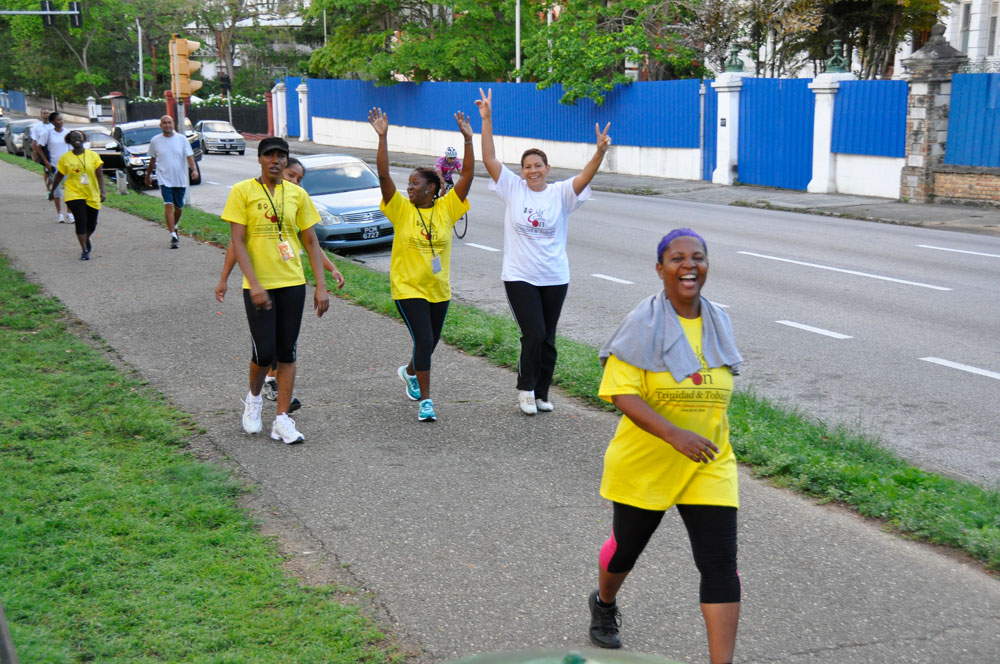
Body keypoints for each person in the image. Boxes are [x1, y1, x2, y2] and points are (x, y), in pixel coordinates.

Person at [588, 229, 743, 662]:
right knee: (625, 549)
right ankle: (604, 603)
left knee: (720, 564)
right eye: (677, 258)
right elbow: (621, 392)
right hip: (646, 462)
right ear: (660, 269)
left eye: (698, 257)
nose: (689, 265)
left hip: (709, 461)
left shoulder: (719, 321)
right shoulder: (642, 322)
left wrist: (695, 435)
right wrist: (675, 435)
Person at [475, 87, 610, 416]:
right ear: (522, 171)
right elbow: (490, 160)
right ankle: (525, 389)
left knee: (548, 339)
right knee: (533, 333)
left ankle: (541, 393)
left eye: (537, 165)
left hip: (554, 277)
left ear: (548, 168)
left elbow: (584, 177)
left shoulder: (561, 194)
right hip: (519, 276)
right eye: (527, 166)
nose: (532, 170)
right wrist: (487, 120)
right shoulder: (513, 188)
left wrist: (599, 152)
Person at [368, 107, 473, 422]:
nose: (409, 188)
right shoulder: (401, 209)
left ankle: (410, 371)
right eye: (409, 184)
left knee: (430, 343)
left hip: (438, 289)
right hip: (408, 288)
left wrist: (469, 141)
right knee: (424, 340)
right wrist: (383, 137)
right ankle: (426, 402)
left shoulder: (446, 209)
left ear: (432, 188)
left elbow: (467, 177)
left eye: (415, 184)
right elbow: (384, 176)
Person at [215, 156, 345, 412]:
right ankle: (262, 389)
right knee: (266, 348)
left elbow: (309, 242)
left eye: (299, 178)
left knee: (284, 346)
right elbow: (235, 243)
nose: (295, 181)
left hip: (289, 281)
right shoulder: (251, 195)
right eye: (291, 175)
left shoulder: (294, 199)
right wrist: (224, 278)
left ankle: (277, 394)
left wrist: (330, 269)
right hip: (261, 283)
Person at [49, 130, 106, 261]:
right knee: (81, 221)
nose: (76, 140)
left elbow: (99, 174)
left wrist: (102, 191)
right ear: (69, 141)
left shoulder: (93, 156)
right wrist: (52, 191)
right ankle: (84, 250)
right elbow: (59, 175)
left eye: (79, 137)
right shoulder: (65, 158)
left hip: (91, 193)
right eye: (73, 138)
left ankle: (86, 238)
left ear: (84, 139)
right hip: (73, 193)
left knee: (92, 224)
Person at [145, 114, 199, 249]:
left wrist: (194, 170)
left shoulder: (182, 139)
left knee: (178, 207)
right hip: (164, 178)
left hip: (179, 179)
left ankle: (174, 225)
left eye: (169, 122)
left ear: (173, 124)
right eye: (164, 123)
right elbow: (152, 160)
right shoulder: (155, 141)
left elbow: (189, 156)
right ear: (161, 126)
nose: (167, 125)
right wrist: (148, 175)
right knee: (168, 205)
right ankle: (173, 236)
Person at [36, 112, 71, 223]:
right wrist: (46, 162)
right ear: (52, 122)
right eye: (58, 120)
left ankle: (69, 213)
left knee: (70, 190)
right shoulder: (48, 133)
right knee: (56, 191)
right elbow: (40, 148)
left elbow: (70, 148)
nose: (61, 122)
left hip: (68, 166)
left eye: (62, 119)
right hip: (54, 166)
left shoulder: (67, 133)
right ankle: (59, 214)